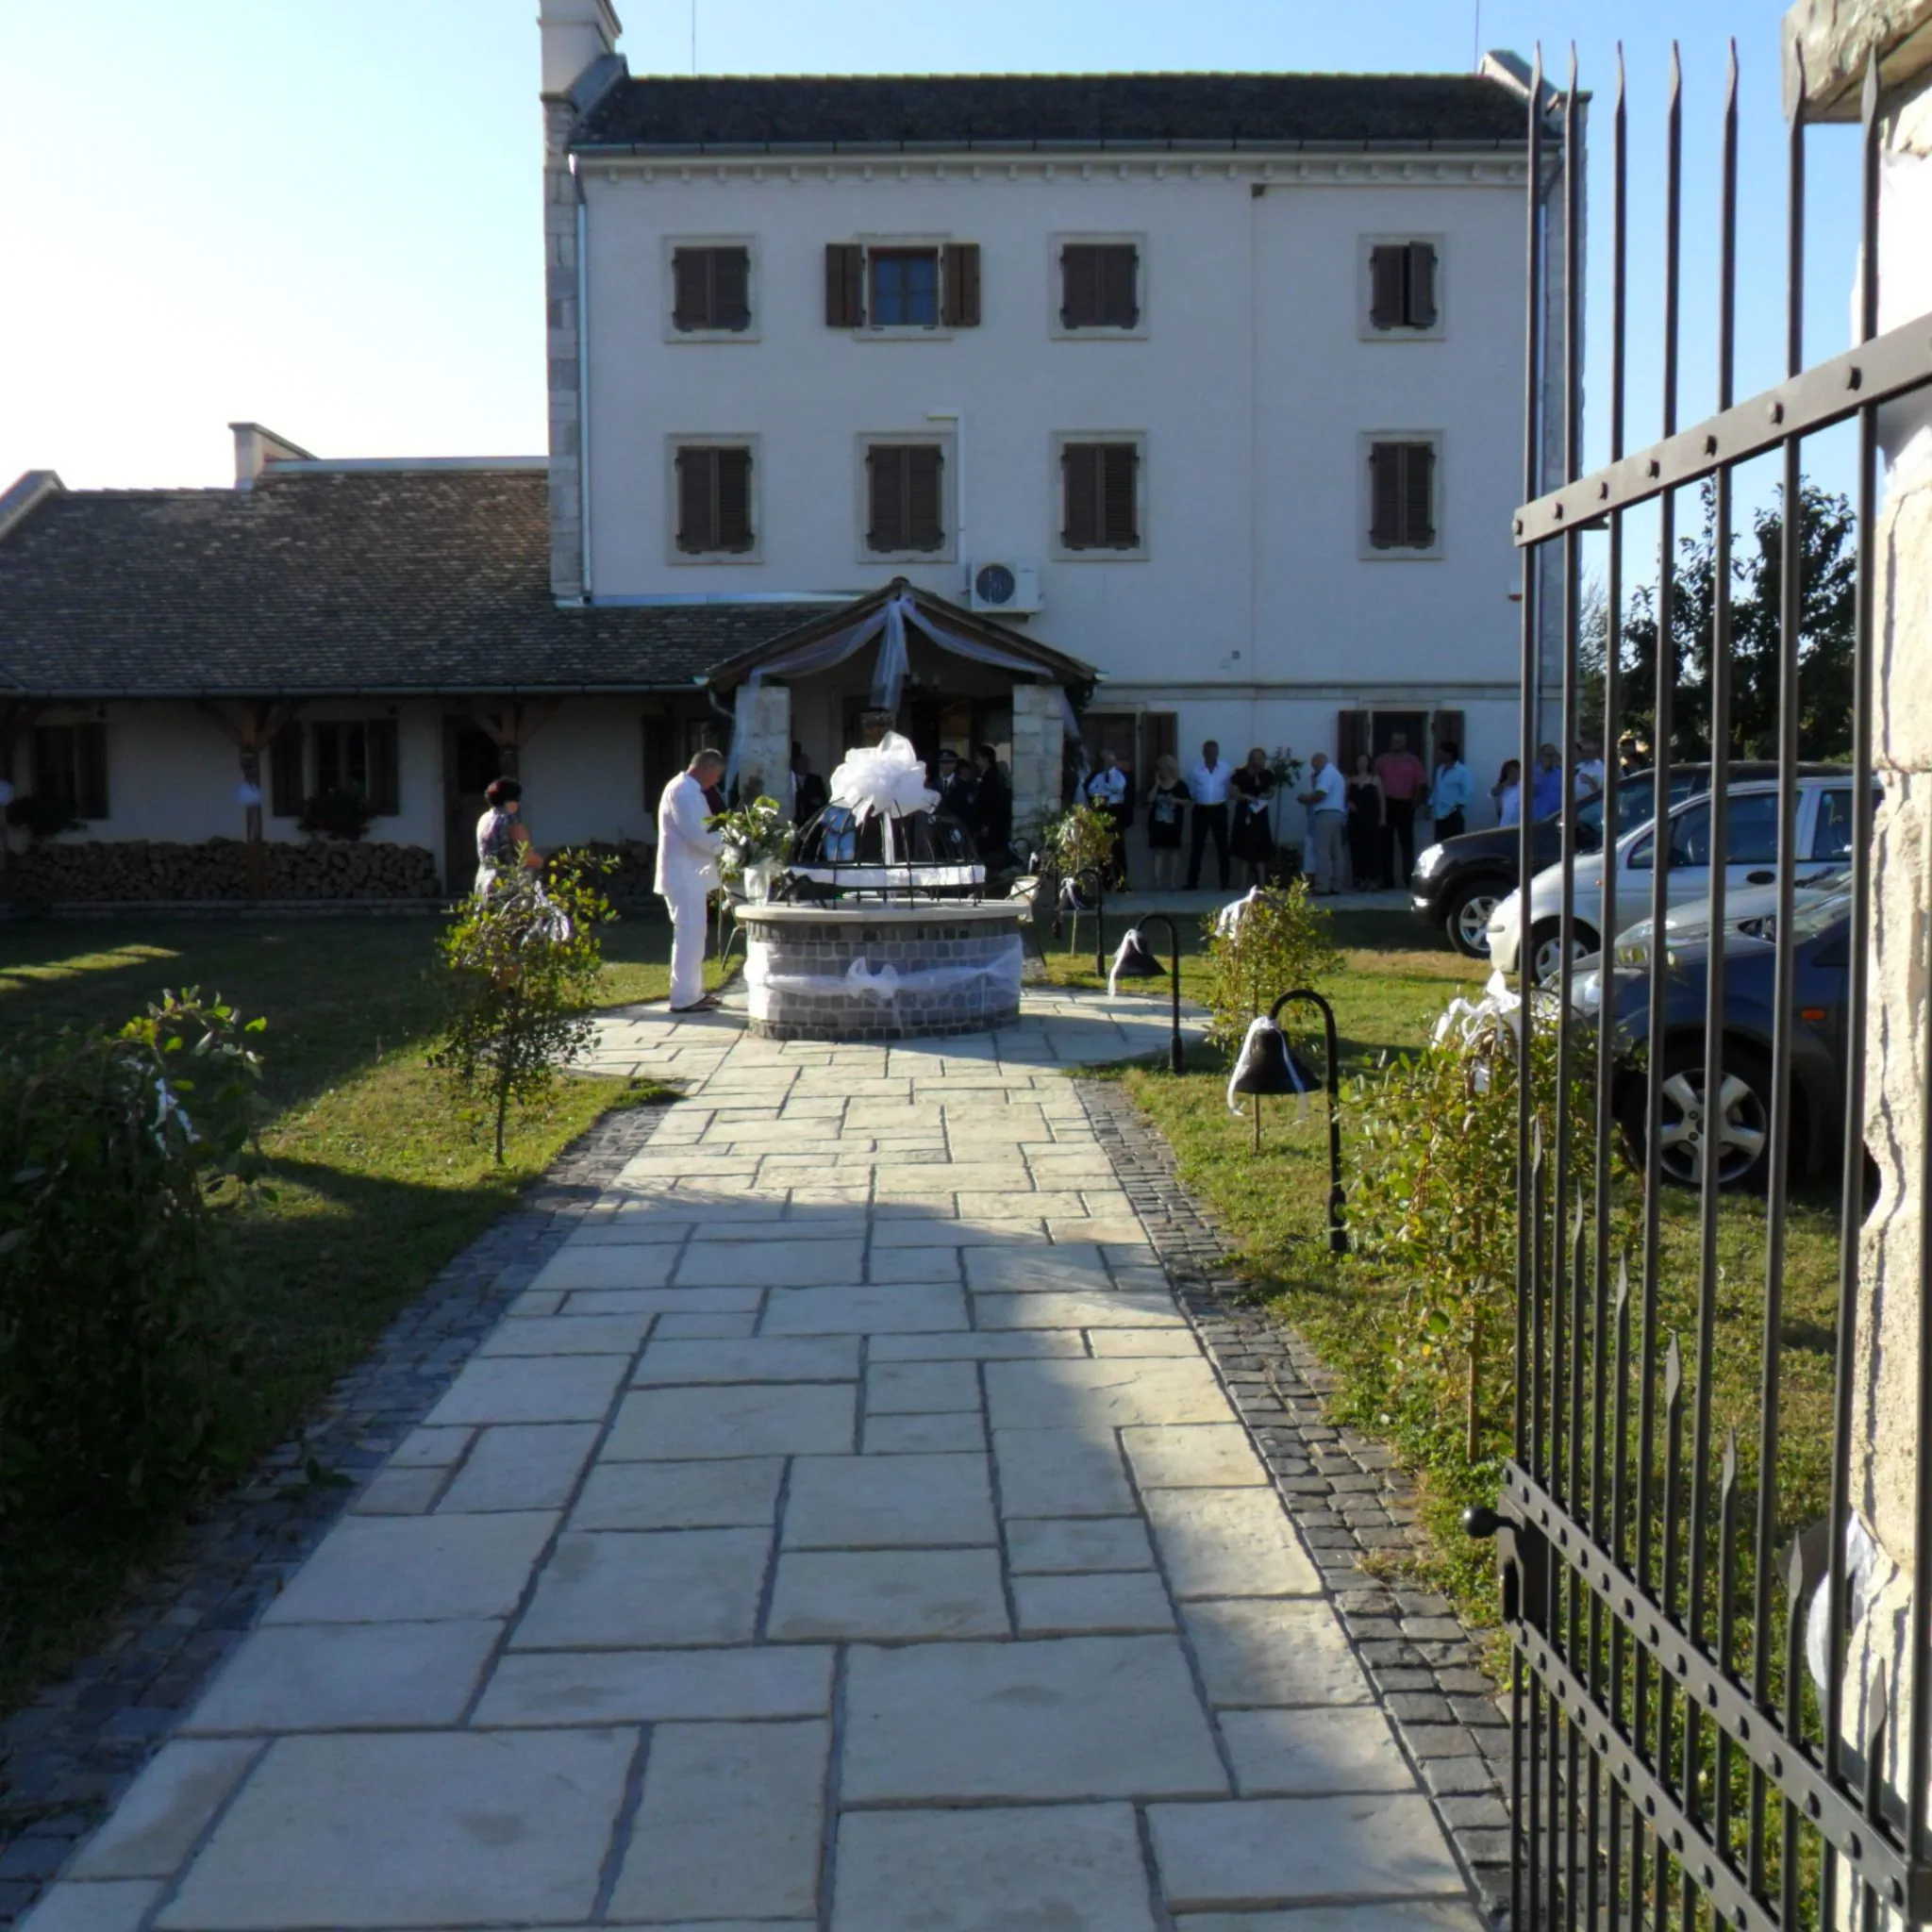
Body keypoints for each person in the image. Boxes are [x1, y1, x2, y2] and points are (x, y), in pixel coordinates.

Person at [656, 749, 725, 1015]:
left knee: (695, 935)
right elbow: (697, 834)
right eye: (716, 775)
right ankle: (684, 997)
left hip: (689, 873)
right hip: (682, 874)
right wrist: (729, 843)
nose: (716, 781)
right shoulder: (683, 791)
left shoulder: (688, 789)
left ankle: (693, 992)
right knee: (688, 935)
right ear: (706, 769)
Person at [1374, 731, 1429, 890]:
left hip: (1406, 803)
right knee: (1385, 843)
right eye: (1393, 741)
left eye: (1399, 741)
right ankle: (1387, 880)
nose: (1395, 744)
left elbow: (1420, 782)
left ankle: (1408, 879)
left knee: (1407, 843)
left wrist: (1415, 802)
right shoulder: (1381, 761)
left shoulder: (1413, 761)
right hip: (1387, 803)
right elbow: (1375, 782)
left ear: (1405, 743)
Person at [474, 776, 542, 898]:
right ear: (509, 802)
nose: (519, 804)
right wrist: (545, 863)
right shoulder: (510, 821)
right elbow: (527, 858)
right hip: (504, 885)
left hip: (483, 881)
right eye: (517, 799)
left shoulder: (483, 819)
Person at [1296, 750, 1348, 894]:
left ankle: (1322, 885)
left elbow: (1320, 795)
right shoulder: (1336, 773)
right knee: (1336, 851)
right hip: (1337, 813)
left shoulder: (1326, 773)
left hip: (1326, 813)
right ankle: (1337, 885)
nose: (1314, 769)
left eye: (1314, 765)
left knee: (1322, 850)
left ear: (1320, 761)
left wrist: (1305, 799)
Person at [1186, 740, 1233, 891]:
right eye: (1208, 752)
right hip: (1201, 809)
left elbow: (1229, 789)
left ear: (1218, 753)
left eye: (1214, 752)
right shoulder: (1195, 770)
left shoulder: (1225, 769)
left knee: (1222, 846)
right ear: (1203, 753)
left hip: (1219, 808)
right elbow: (1192, 791)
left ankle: (1225, 883)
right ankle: (1192, 882)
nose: (1211, 755)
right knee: (1197, 846)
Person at [1229, 746, 1276, 888]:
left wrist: (1265, 795)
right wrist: (1245, 796)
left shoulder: (1267, 775)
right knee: (1245, 848)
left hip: (1260, 814)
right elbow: (1233, 793)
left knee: (1261, 849)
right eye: (1255, 758)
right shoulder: (1239, 774)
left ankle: (1262, 884)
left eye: (1261, 758)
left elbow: (1271, 792)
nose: (1258, 761)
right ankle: (1243, 884)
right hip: (1244, 814)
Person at [1142, 754, 1191, 891]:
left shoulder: (1180, 785)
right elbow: (1149, 799)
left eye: (1161, 769)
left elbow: (1187, 801)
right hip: (1157, 824)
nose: (1160, 772)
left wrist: (1175, 800)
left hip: (1174, 823)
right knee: (1159, 851)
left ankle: (1172, 881)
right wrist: (1157, 784)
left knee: (1173, 851)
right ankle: (1157, 882)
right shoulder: (1155, 785)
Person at [1085, 748, 1131, 886]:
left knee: (1118, 848)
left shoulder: (1119, 775)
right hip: (1101, 812)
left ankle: (1121, 880)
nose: (1107, 763)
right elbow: (1092, 790)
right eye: (1104, 760)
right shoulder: (1096, 776)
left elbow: (1117, 788)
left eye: (1110, 760)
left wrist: (1106, 793)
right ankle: (1105, 880)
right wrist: (1104, 794)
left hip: (1115, 813)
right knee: (1102, 848)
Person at [1344, 753, 1386, 890]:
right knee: (1357, 849)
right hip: (1355, 819)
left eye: (1364, 761)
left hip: (1371, 818)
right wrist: (1349, 803)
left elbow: (1381, 800)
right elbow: (1345, 797)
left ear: (1368, 763)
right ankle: (1359, 878)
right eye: (1359, 761)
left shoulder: (1375, 779)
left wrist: (1382, 818)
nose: (1361, 764)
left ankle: (1373, 879)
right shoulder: (1351, 780)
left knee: (1372, 849)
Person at [970, 744, 1012, 866]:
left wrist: (987, 824)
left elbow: (992, 803)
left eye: (979, 758)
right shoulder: (984, 777)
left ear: (986, 759)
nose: (977, 762)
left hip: (989, 824)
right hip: (984, 822)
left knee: (989, 853)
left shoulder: (992, 778)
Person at [1427, 740, 1474, 843]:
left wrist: (1457, 807)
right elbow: (1436, 788)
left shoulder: (1462, 771)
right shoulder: (1440, 769)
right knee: (1439, 845)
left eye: (1441, 753)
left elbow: (1468, 791)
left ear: (1449, 754)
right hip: (1439, 814)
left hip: (1453, 815)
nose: (1438, 755)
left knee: (1455, 845)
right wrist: (1430, 804)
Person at [791, 744, 827, 824]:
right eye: (802, 763)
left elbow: (823, 800)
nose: (806, 765)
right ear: (796, 763)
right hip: (795, 821)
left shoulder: (816, 780)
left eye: (807, 763)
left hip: (812, 822)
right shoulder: (791, 780)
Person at [1531, 742, 1565, 821]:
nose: (1550, 758)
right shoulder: (1532, 773)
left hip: (1557, 818)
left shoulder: (1561, 774)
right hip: (1539, 820)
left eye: (1553, 755)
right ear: (1540, 756)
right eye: (1547, 755)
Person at [1493, 758, 1524, 828]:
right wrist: (1506, 784)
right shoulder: (1502, 788)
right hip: (1505, 826)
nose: (1515, 774)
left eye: (1517, 771)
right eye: (1512, 772)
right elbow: (1494, 794)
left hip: (1520, 826)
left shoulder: (1523, 785)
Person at [1574, 737, 1607, 801]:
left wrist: (1590, 781)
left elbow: (1602, 793)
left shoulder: (1601, 767)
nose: (1585, 754)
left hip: (1594, 804)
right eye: (1583, 752)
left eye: (1589, 751)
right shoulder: (1579, 766)